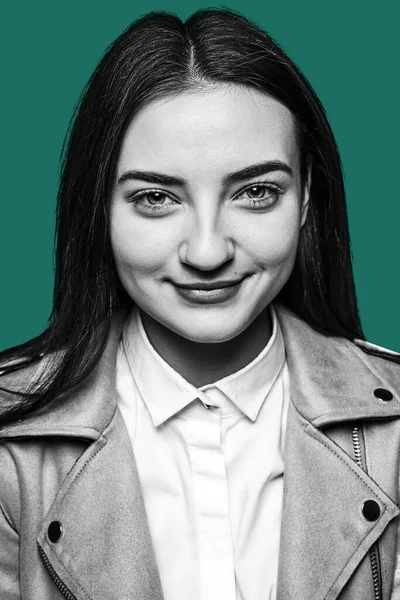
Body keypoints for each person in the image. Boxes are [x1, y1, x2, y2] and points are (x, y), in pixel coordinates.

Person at [0, 7, 399, 600]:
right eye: (157, 197)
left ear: (307, 198)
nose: (208, 251)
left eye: (257, 192)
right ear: (98, 209)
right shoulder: (11, 450)